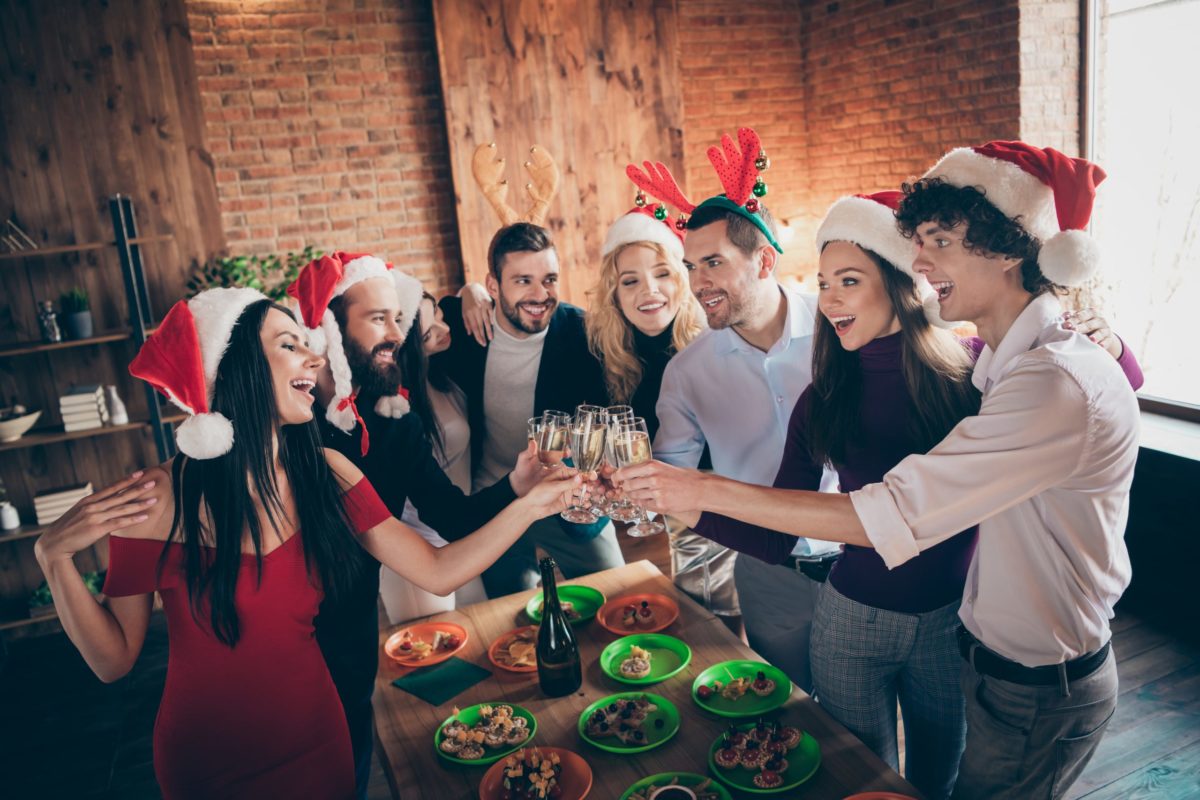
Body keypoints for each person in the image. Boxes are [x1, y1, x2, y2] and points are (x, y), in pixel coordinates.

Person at [618, 142, 1139, 800]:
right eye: (826, 281)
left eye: (851, 279)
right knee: (860, 780)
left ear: (898, 283)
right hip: (888, 626)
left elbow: (895, 509)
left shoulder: (993, 374)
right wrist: (676, 496)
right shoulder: (977, 369)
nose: (830, 298)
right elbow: (786, 533)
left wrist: (1109, 342)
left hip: (976, 640)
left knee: (938, 779)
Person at [33, 288, 575, 800]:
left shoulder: (327, 472)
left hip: (317, 741)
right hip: (206, 761)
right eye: (288, 345)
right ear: (237, 366)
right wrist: (53, 559)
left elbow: (437, 569)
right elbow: (113, 662)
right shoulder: (152, 500)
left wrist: (531, 504)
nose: (315, 359)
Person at [286, 253, 545, 796]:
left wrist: (516, 486)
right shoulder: (287, 425)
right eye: (378, 318)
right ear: (330, 326)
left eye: (398, 319)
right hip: (279, 651)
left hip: (351, 644)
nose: (396, 333)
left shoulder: (393, 424)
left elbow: (451, 518)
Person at [648, 127, 840, 691]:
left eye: (712, 263)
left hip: (865, 564)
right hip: (765, 573)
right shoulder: (687, 371)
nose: (697, 284)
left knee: (862, 727)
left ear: (763, 260)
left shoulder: (842, 334)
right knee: (791, 714)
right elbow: (673, 480)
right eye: (689, 267)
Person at [434, 222, 625, 597]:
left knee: (618, 598)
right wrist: (467, 292)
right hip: (497, 503)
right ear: (493, 287)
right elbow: (426, 316)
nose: (541, 294)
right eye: (523, 281)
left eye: (549, 279)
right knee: (510, 624)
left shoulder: (584, 334)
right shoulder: (462, 326)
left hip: (569, 502)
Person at [378, 290, 488, 622]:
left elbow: (464, 301)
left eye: (438, 313)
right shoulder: (394, 404)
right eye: (429, 332)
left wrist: (471, 292)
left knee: (480, 632)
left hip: (460, 536)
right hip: (420, 551)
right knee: (436, 659)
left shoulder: (439, 370)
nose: (444, 327)